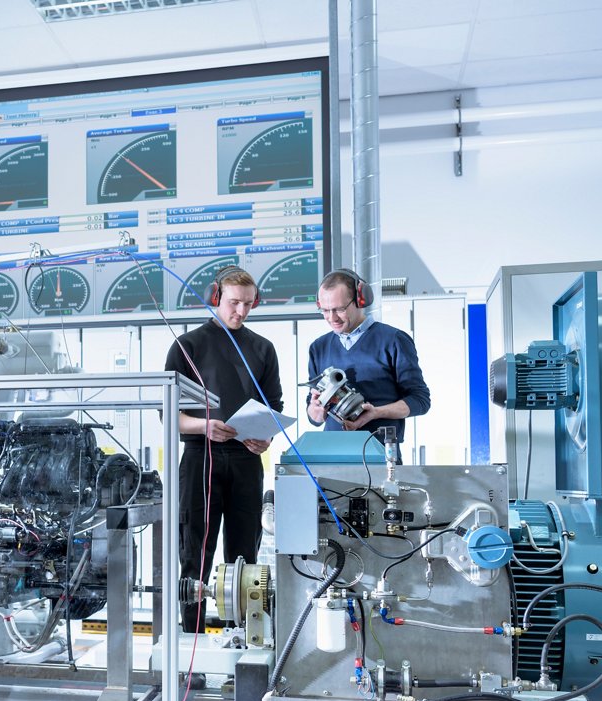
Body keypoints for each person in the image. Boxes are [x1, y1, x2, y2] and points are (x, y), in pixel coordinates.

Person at [165, 266, 283, 633]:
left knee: (244, 558)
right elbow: (168, 416)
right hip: (202, 459)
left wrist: (267, 438)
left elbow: (273, 409)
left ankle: (244, 643)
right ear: (216, 297)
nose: (242, 312)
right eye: (234, 303)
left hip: (247, 459)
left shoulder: (263, 349)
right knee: (195, 555)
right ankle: (191, 641)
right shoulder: (188, 346)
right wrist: (204, 426)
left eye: (249, 304)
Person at [305, 268, 430, 460]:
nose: (332, 318)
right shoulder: (318, 347)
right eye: (325, 310)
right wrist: (316, 410)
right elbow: (314, 417)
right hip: (331, 455)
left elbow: (420, 401)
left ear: (360, 300)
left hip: (380, 454)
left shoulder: (393, 340)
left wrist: (376, 413)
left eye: (339, 309)